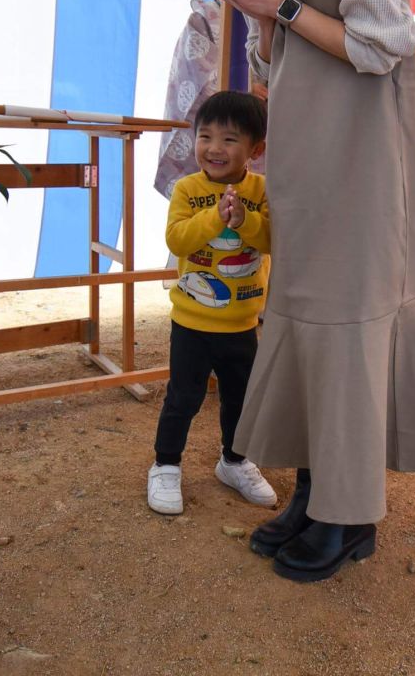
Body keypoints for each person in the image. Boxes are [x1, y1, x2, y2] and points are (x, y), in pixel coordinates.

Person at [145, 0, 415, 583]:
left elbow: (385, 45)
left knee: (346, 321)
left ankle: (349, 516)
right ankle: (319, 489)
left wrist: (276, 3)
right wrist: (250, 17)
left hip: (360, 153)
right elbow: (276, 58)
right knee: (303, 313)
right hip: (302, 154)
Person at [147, 90, 277, 516]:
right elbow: (177, 239)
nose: (214, 148)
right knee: (183, 397)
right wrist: (216, 217)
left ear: (254, 149)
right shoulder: (188, 189)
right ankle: (165, 465)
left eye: (229, 139)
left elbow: (275, 240)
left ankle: (234, 461)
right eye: (206, 136)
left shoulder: (262, 190)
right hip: (192, 322)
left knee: (240, 398)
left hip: (242, 323)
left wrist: (246, 220)